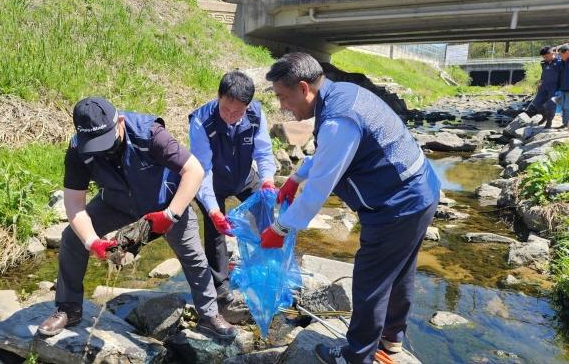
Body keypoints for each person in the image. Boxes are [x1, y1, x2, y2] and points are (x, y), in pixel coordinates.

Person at [261, 53, 441, 364]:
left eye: (283, 97)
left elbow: (319, 190)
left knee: (370, 281)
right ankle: (391, 341)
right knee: (399, 272)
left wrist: (280, 229)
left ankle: (356, 356)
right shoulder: (341, 94)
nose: (282, 106)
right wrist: (294, 177)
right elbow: (330, 155)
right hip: (420, 190)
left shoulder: (338, 120)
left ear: (304, 88)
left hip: (396, 204)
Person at [37, 97, 237, 339]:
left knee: (193, 257)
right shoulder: (78, 149)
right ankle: (69, 308)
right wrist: (93, 242)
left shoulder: (149, 133)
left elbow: (194, 170)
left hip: (166, 201)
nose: (102, 149)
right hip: (116, 201)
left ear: (120, 122)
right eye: (95, 145)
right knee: (72, 238)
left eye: (105, 141)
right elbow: (74, 205)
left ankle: (208, 316)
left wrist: (170, 215)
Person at [189, 71, 277, 305]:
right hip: (212, 181)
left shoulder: (256, 115)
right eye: (225, 109)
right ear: (218, 97)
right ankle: (221, 286)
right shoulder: (201, 121)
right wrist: (213, 210)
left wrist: (268, 179)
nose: (230, 116)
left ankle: (265, 268)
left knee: (266, 212)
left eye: (237, 112)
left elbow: (264, 152)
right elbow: (202, 170)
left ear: (247, 107)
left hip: (245, 175)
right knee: (215, 230)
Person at [532, 46, 562, 128]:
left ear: (552, 54)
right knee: (536, 102)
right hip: (544, 86)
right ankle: (544, 116)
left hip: (555, 87)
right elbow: (544, 73)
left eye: (546, 56)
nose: (545, 58)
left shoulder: (560, 63)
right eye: (543, 57)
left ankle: (549, 122)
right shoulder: (544, 63)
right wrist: (541, 82)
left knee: (551, 104)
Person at [557, 45, 569, 129]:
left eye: (561, 54)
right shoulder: (562, 62)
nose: (560, 56)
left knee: (567, 107)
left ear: (567, 53)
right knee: (563, 107)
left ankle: (567, 125)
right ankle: (565, 124)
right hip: (563, 88)